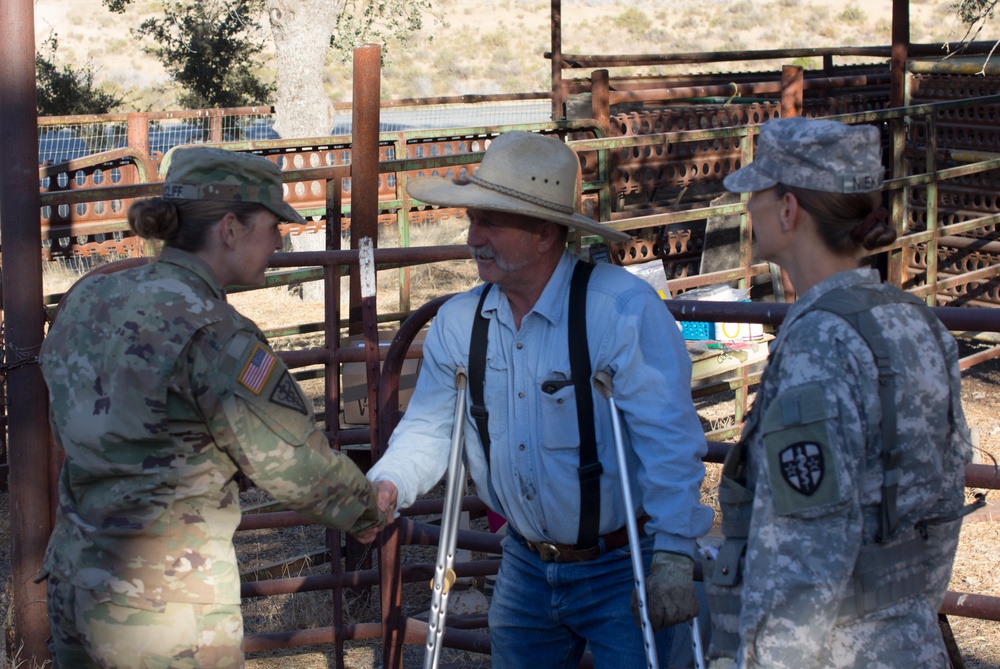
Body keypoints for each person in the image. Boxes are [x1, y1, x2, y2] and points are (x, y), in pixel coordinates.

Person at [367, 130, 714, 668]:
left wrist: (672, 551)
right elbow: (432, 428)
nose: (473, 237)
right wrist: (388, 483)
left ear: (546, 233)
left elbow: (666, 437)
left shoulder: (619, 311)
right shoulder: (461, 324)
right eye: (473, 219)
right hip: (526, 565)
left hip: (625, 561)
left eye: (492, 221)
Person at [38, 146, 386, 668]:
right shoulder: (215, 331)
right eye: (273, 225)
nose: (280, 238)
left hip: (76, 586)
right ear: (230, 228)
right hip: (166, 609)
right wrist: (366, 510)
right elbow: (291, 461)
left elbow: (65, 423)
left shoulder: (93, 298)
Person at [704, 117, 975, 668]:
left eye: (757, 192)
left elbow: (802, 562)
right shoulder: (915, 322)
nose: (747, 207)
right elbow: (946, 499)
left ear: (788, 209)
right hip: (906, 642)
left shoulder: (818, 344)